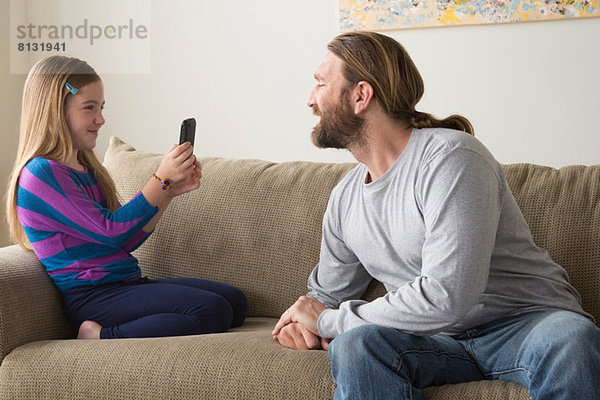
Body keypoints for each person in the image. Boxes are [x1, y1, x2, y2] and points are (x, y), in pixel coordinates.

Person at [272, 31, 600, 400]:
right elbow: (325, 297)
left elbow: (447, 295)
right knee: (358, 345)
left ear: (361, 96)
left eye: (320, 84)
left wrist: (328, 321)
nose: (310, 100)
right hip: (434, 342)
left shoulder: (453, 159)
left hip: (524, 324)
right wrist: (299, 322)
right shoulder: (345, 197)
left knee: (572, 340)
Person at [6, 56, 247, 340]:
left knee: (235, 301)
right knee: (212, 310)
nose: (100, 119)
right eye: (89, 108)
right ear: (56, 111)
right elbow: (113, 233)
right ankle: (99, 335)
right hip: (92, 296)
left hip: (124, 283)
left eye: (101, 108)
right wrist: (162, 180)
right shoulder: (41, 174)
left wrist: (168, 192)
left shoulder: (87, 169)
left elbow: (128, 240)